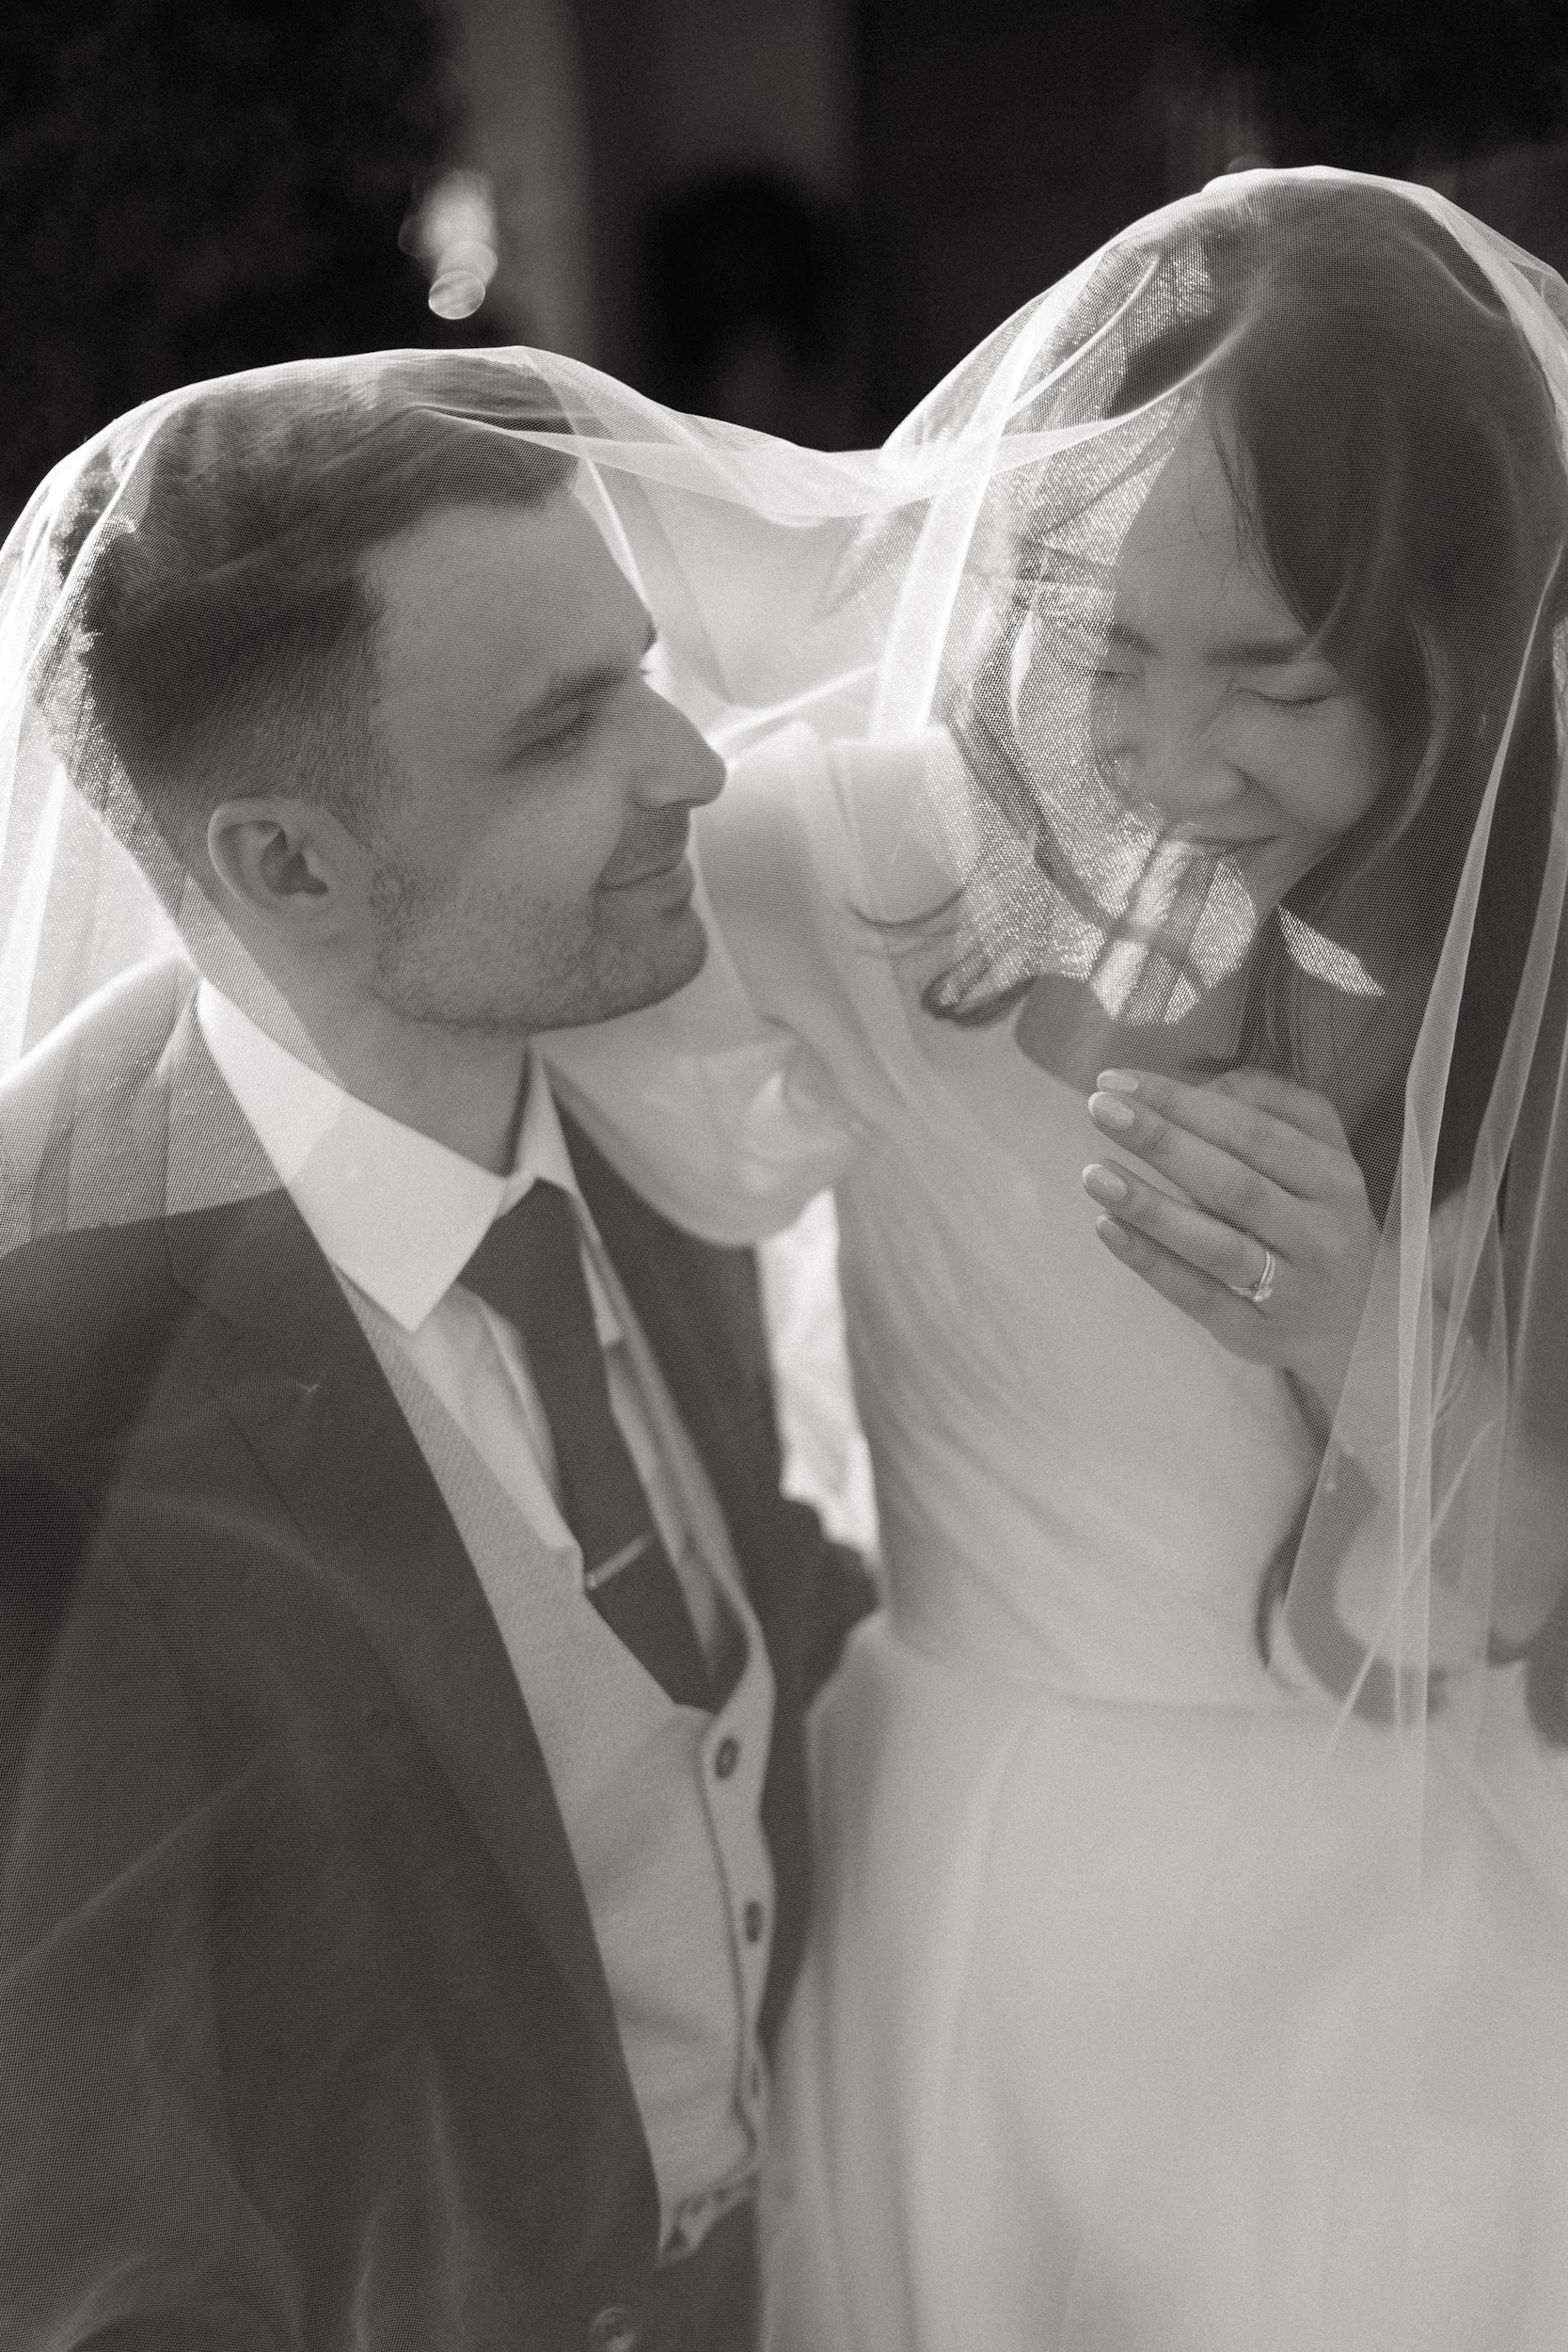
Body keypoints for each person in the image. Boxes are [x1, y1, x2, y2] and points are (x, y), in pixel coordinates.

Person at [529, 174, 1568, 2346]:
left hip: (1411, 1920)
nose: (1168, 759)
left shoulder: (1520, 959)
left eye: (1276, 679)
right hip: (995, 1888)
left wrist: (1352, 1320)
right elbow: (509, 940)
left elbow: (1510, 1587)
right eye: (1106, 648)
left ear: (1450, 671)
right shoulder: (875, 867)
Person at [0, 363, 876, 2351]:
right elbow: (82, 2238)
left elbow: (745, 1654)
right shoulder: (47, 1394)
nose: (692, 765)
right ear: (288, 866)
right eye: (563, 728)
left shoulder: (649, 1084)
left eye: (638, 671)